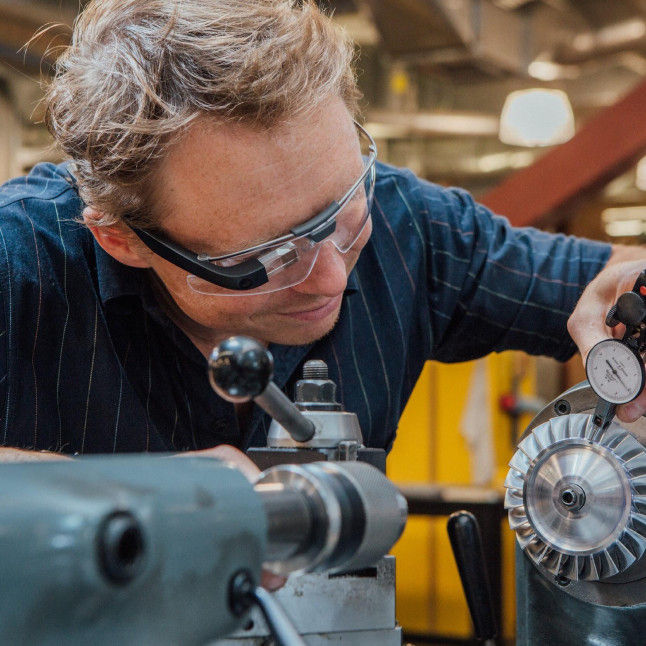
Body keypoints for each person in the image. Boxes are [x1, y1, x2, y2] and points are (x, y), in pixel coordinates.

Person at [0, 0, 643, 470]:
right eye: (264, 257)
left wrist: (632, 298)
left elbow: (609, 281)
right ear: (123, 239)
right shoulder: (18, 262)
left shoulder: (406, 224)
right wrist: (158, 501)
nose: (332, 276)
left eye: (340, 215)